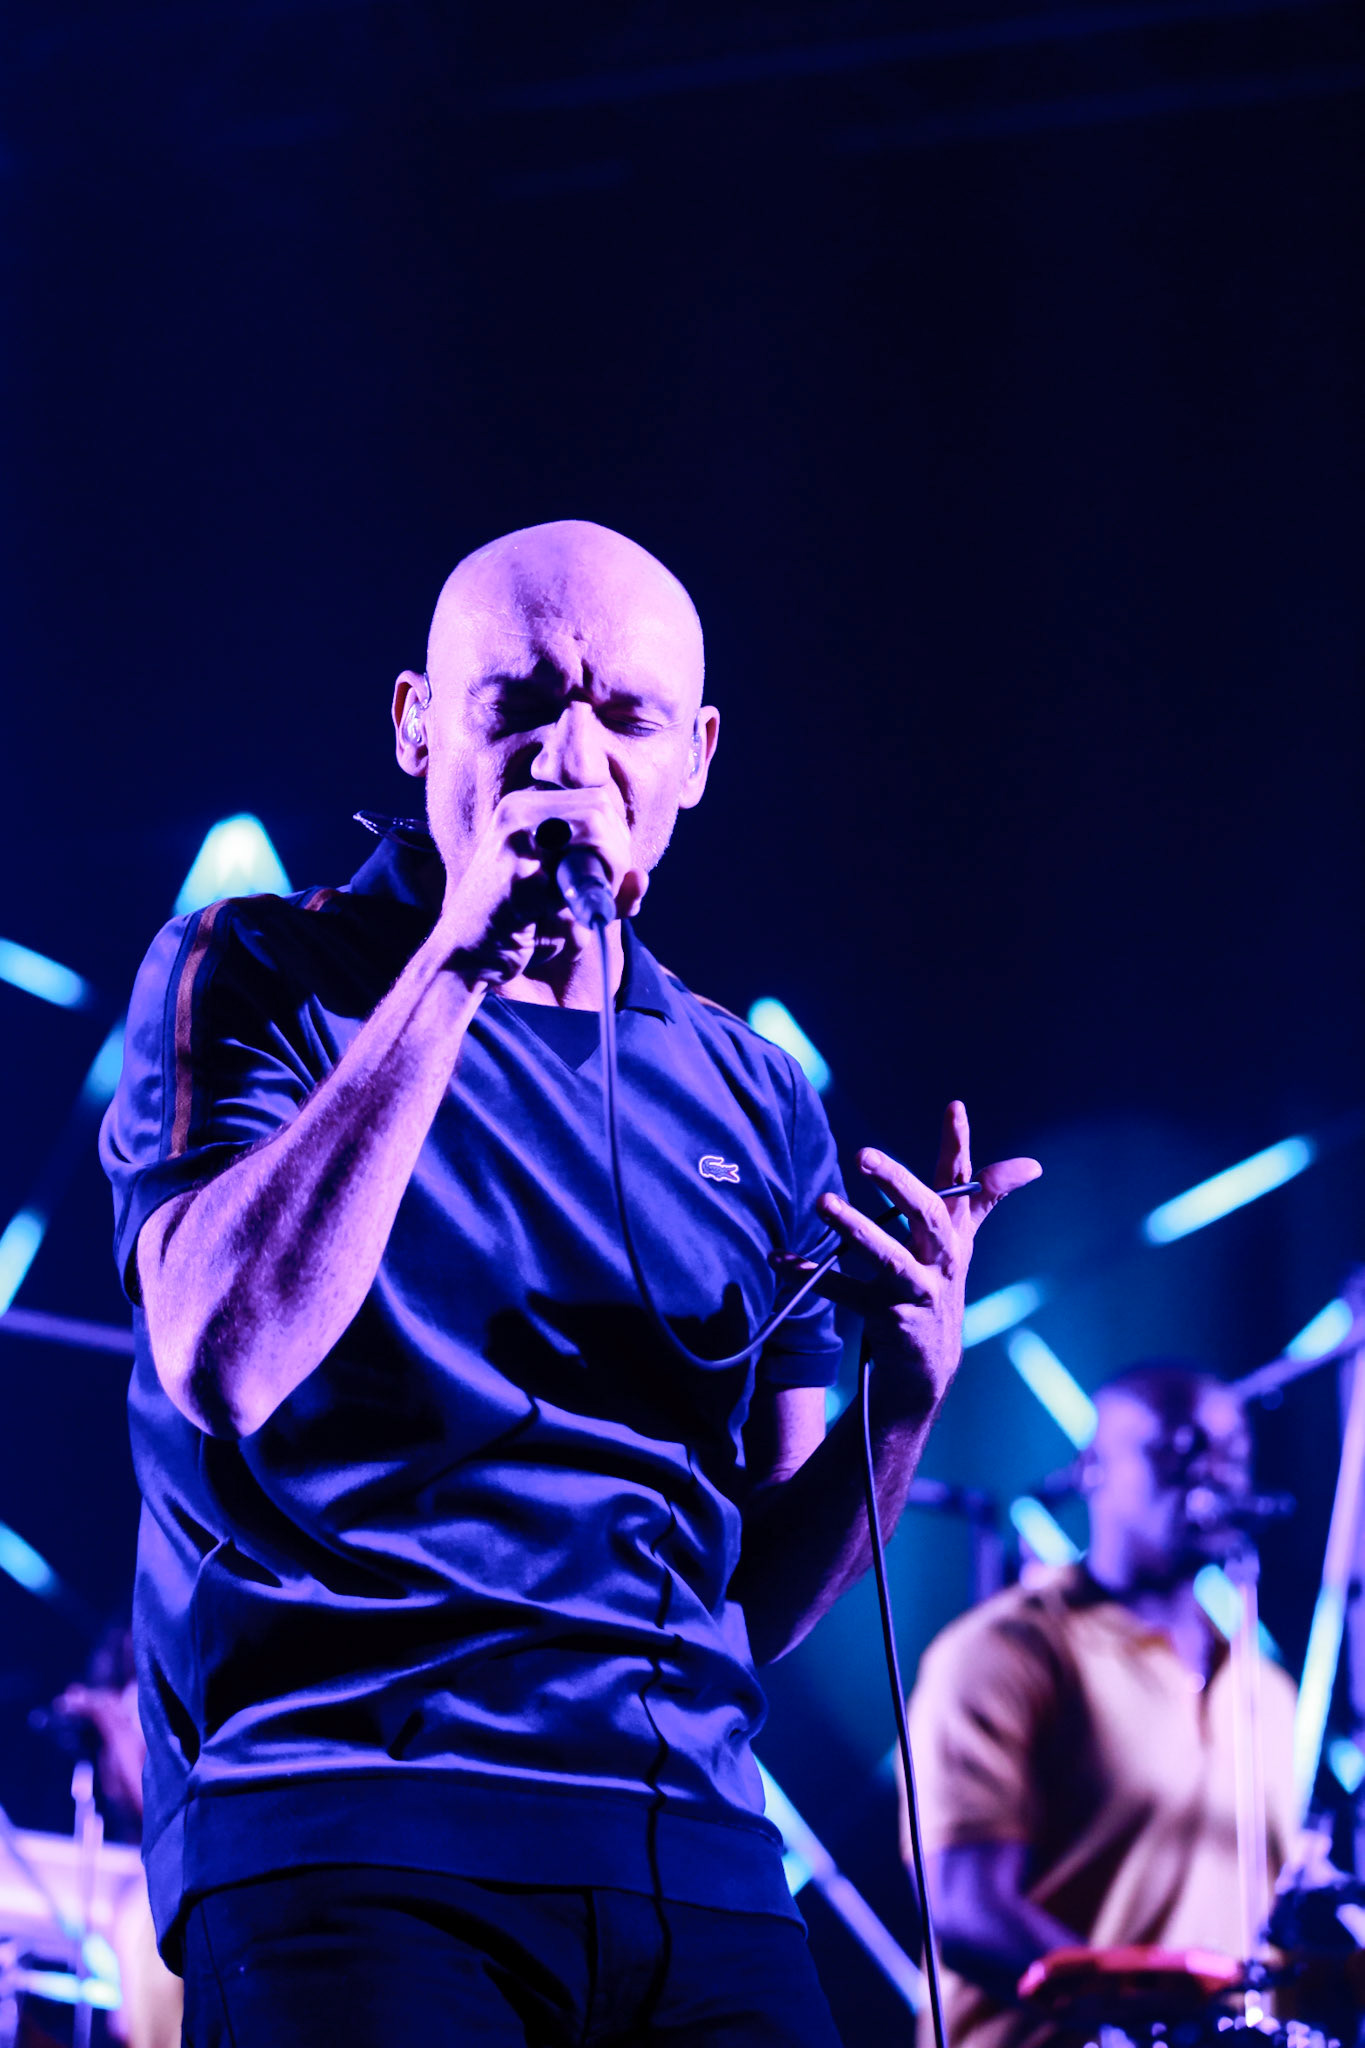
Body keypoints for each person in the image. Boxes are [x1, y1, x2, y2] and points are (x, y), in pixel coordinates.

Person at [100, 519, 1039, 2046]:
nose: (570, 755)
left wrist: (907, 1398)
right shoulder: (256, 970)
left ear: (698, 758)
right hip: (351, 1818)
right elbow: (221, 1356)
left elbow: (754, 1598)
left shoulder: (752, 1091)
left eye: (628, 717)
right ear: (416, 722)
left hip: (691, 1844)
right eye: (518, 704)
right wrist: (460, 960)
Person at [904, 1362, 1299, 2048]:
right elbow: (965, 1908)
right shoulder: (1005, 1652)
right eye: (1177, 1449)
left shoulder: (1266, 1689)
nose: (1212, 1473)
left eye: (1232, 1452)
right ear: (1092, 1470)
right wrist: (1154, 2014)